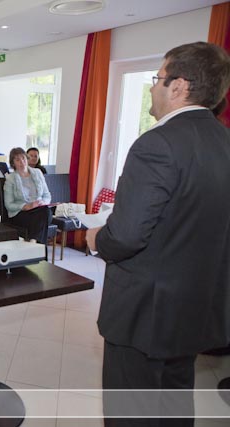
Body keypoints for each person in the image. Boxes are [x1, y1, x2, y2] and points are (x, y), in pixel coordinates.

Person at [84, 42, 230, 425]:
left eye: (157, 78)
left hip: (145, 313)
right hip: (194, 307)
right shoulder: (223, 142)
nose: (152, 87)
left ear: (178, 86)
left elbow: (127, 236)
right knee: (174, 404)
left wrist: (97, 239)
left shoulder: (157, 144)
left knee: (131, 412)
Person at [3, 147, 51, 243]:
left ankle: (33, 241)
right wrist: (25, 206)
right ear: (13, 163)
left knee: (45, 211)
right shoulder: (10, 179)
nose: (22, 161)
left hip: (39, 210)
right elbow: (8, 205)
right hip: (20, 213)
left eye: (23, 158)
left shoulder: (38, 173)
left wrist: (43, 202)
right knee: (44, 215)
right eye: (17, 160)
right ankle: (36, 245)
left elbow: (47, 195)